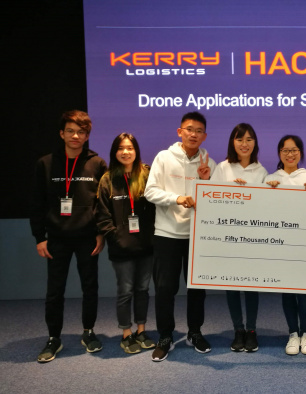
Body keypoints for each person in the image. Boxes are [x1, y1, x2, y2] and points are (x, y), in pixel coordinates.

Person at [30, 110, 107, 362]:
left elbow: (103, 204)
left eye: (82, 132)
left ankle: (89, 331)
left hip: (88, 238)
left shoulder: (97, 164)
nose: (76, 136)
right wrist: (39, 237)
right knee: (54, 291)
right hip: (56, 239)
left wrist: (100, 234)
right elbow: (37, 203)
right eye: (71, 131)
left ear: (87, 136)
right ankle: (54, 338)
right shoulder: (46, 163)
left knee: (90, 288)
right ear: (62, 133)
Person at [144, 111, 217, 361]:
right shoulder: (164, 157)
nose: (193, 134)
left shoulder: (209, 161)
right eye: (189, 129)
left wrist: (206, 182)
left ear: (204, 136)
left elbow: (217, 199)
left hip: (198, 235)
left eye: (199, 131)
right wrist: (177, 199)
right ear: (180, 132)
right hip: (167, 234)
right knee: (165, 289)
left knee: (197, 289)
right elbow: (150, 192)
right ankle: (165, 336)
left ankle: (194, 332)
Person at [96, 133, 156, 354]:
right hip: (121, 248)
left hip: (146, 245)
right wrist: (115, 237)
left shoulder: (147, 175)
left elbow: (157, 206)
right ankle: (126, 334)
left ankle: (141, 330)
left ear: (136, 150)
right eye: (121, 148)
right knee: (125, 291)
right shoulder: (107, 179)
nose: (126, 152)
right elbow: (102, 215)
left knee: (143, 289)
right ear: (115, 152)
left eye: (130, 147)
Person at [211, 123, 268, 352]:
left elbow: (266, 207)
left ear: (255, 143)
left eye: (249, 139)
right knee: (232, 286)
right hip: (228, 237)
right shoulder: (222, 168)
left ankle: (252, 330)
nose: (244, 144)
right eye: (239, 139)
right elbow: (211, 201)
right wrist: (230, 191)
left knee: (251, 286)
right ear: (232, 142)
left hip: (252, 238)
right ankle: (238, 330)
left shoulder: (261, 171)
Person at [265, 135, 306, 355]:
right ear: (279, 153)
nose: (290, 154)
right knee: (287, 292)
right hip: (281, 244)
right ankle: (292, 334)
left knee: (304, 292)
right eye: (286, 150)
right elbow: (262, 210)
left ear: (301, 153)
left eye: (294, 150)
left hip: (304, 243)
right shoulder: (269, 179)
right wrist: (268, 191)